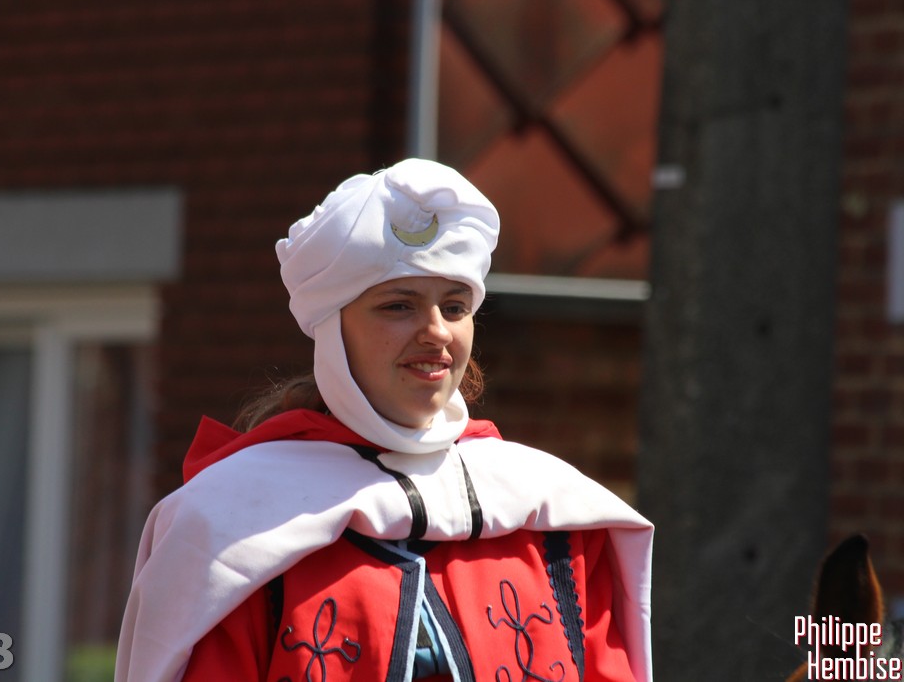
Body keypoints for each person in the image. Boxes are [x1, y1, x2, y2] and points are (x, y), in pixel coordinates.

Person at [115, 158, 654, 682]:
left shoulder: (553, 517)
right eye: (399, 305)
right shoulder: (230, 527)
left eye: (456, 306)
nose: (436, 331)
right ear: (334, 330)